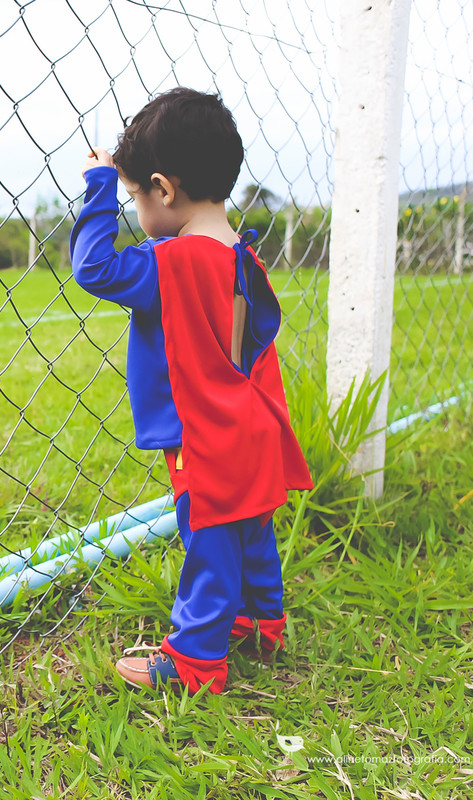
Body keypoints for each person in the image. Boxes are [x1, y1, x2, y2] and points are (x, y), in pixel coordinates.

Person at [69, 88, 313, 694]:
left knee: (210, 543)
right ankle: (263, 622)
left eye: (133, 197)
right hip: (250, 421)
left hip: (204, 434)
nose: (134, 209)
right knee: (250, 528)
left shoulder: (170, 264)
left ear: (164, 188)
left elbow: (92, 268)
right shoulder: (241, 254)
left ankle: (195, 662)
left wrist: (97, 184)